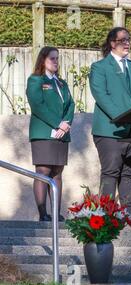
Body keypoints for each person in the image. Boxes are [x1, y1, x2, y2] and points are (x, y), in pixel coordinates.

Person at [89, 27, 131, 220]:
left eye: (129, 39)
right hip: (110, 130)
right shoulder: (99, 68)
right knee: (111, 172)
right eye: (123, 39)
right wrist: (123, 116)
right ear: (112, 43)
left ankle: (127, 213)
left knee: (128, 174)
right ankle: (106, 216)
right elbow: (101, 96)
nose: (127, 43)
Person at [26, 46, 75, 222]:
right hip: (44, 133)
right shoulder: (35, 80)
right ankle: (43, 214)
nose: (56, 61)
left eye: (57, 58)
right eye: (52, 58)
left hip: (62, 134)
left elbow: (71, 105)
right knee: (43, 170)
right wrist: (57, 123)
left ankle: (55, 213)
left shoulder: (61, 83)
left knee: (57, 172)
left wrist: (65, 124)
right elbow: (38, 106)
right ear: (43, 60)